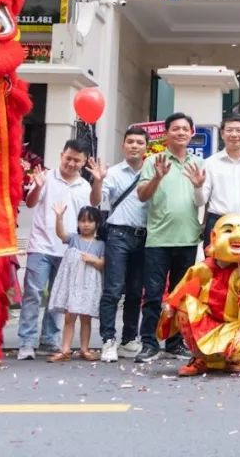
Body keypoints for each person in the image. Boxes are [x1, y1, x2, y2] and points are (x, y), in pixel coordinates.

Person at [133, 112, 207, 364]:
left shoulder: (198, 163)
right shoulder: (153, 161)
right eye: (175, 128)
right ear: (166, 133)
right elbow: (142, 196)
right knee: (153, 295)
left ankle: (175, 343)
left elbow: (202, 200)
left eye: (185, 129)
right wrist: (157, 177)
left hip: (188, 239)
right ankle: (148, 343)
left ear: (191, 133)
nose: (181, 133)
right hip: (158, 239)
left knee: (181, 297)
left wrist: (198, 185)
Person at [157, 214, 240, 376]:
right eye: (228, 230)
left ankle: (233, 360)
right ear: (214, 237)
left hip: (233, 326)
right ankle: (199, 359)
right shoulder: (202, 269)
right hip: (207, 324)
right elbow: (180, 295)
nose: (238, 236)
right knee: (184, 306)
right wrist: (170, 309)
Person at [17, 139, 97, 360]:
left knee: (58, 297)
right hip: (41, 245)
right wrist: (38, 186)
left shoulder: (85, 187)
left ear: (83, 162)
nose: (71, 163)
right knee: (33, 293)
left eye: (76, 160)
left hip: (68, 250)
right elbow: (30, 203)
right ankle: (26, 342)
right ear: (61, 155)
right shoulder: (46, 177)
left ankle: (49, 339)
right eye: (68, 158)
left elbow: (88, 219)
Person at [97, 126, 150, 363]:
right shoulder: (113, 173)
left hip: (144, 236)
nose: (134, 146)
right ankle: (108, 340)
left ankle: (129, 340)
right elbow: (96, 200)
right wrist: (98, 181)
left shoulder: (152, 172)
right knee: (113, 289)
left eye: (139, 142)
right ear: (123, 145)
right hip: (118, 235)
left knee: (136, 291)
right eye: (130, 142)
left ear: (146, 147)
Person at [47, 204, 106, 362]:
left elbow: (102, 263)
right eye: (82, 221)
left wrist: (92, 259)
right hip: (72, 284)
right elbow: (61, 234)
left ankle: (84, 349)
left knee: (86, 318)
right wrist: (59, 217)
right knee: (69, 317)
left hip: (89, 285)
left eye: (90, 221)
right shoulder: (73, 238)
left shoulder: (100, 244)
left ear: (97, 224)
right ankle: (65, 349)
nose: (86, 224)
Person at [201, 116, 240, 249]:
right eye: (229, 130)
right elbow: (202, 199)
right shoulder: (210, 163)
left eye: (239, 130)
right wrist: (197, 186)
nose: (234, 134)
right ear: (222, 134)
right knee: (214, 262)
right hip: (218, 223)